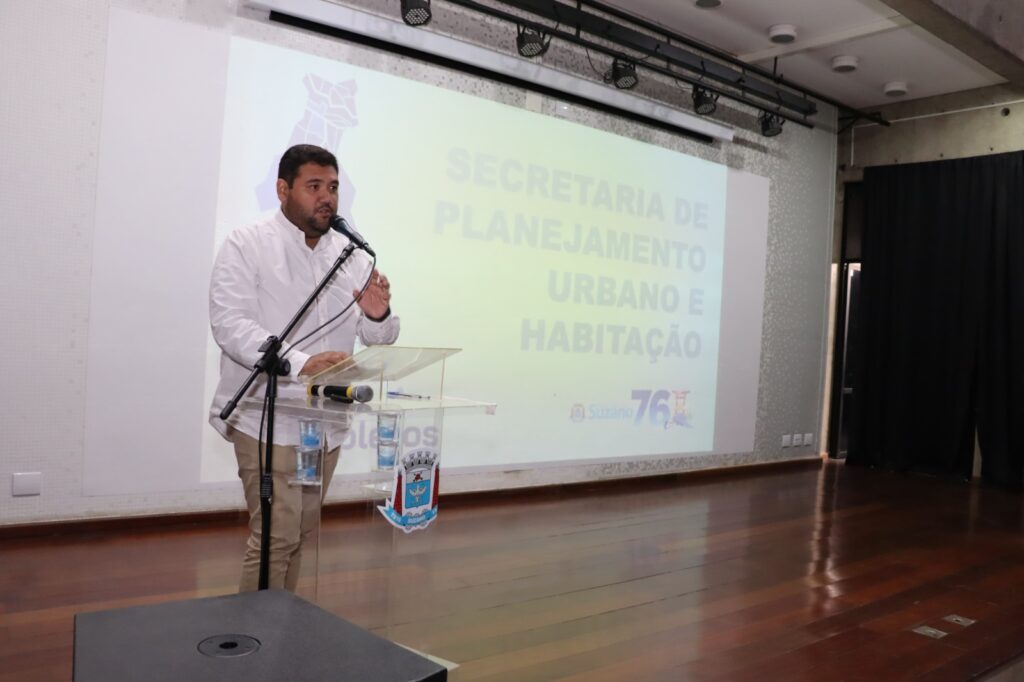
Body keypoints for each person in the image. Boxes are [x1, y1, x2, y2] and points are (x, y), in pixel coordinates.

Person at [209, 144, 399, 592]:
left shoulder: (351, 255)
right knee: (275, 537)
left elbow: (380, 336)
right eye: (314, 186)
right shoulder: (247, 244)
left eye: (332, 187)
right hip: (267, 416)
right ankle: (256, 630)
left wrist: (377, 315)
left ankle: (282, 622)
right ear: (283, 189)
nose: (326, 197)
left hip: (324, 424)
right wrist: (300, 363)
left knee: (300, 535)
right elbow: (230, 324)